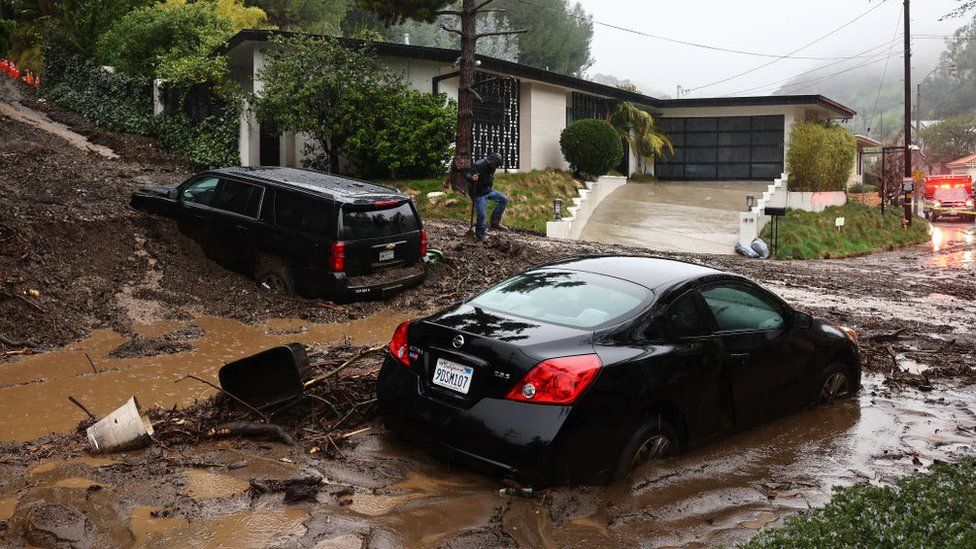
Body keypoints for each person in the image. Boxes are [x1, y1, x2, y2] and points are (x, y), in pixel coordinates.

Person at [466, 152, 508, 243]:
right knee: (482, 214)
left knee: (503, 199)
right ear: (490, 161)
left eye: (497, 165)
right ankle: (480, 235)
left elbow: (490, 178)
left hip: (487, 190)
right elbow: (467, 174)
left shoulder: (492, 167)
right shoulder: (478, 164)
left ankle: (495, 222)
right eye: (495, 165)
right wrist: (472, 178)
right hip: (478, 193)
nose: (496, 167)